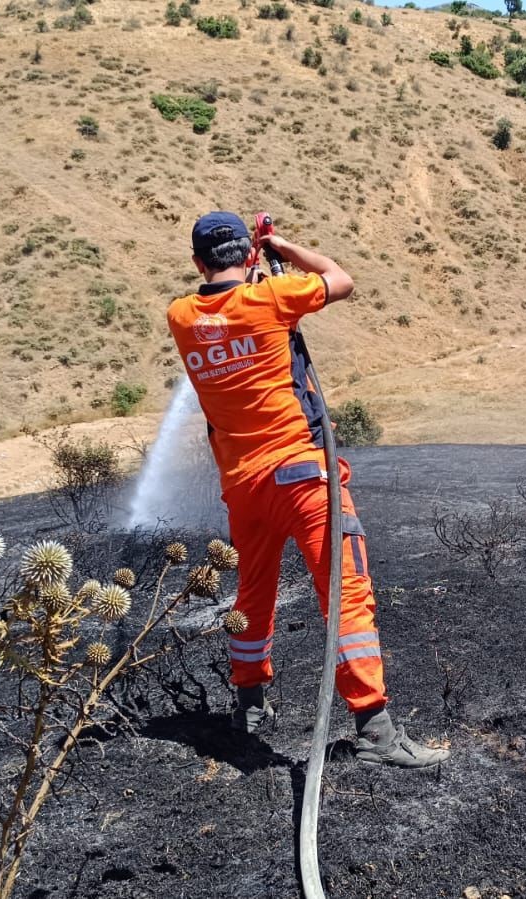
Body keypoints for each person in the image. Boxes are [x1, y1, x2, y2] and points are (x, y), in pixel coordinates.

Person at [165, 211, 448, 769]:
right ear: (248, 256)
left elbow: (227, 312)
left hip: (243, 486)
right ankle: (376, 732)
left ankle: (249, 705)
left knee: (253, 597)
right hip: (301, 472)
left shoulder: (181, 316)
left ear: (198, 263)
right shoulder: (271, 298)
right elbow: (340, 279)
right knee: (346, 594)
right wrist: (282, 247)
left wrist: (254, 269)